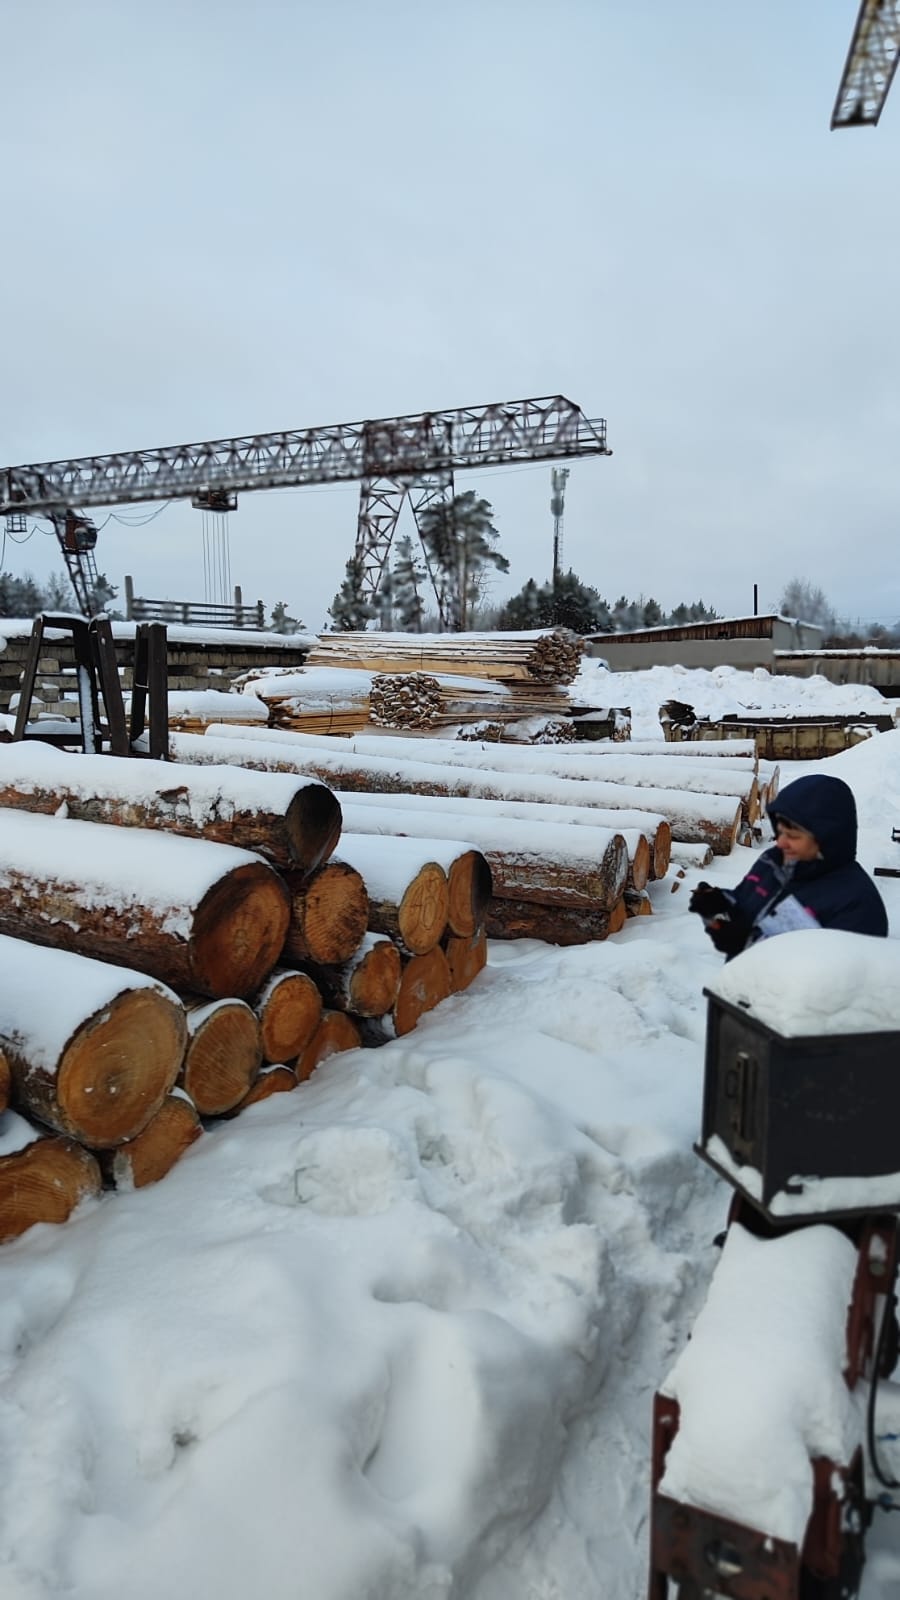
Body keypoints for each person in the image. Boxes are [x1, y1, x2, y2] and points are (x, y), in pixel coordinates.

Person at [688, 772, 889, 959]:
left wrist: (749, 945)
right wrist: (720, 905)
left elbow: (832, 984)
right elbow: (746, 904)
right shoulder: (774, 861)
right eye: (780, 832)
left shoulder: (857, 906)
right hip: (738, 990)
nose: (781, 842)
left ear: (826, 838)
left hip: (775, 995)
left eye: (793, 836)